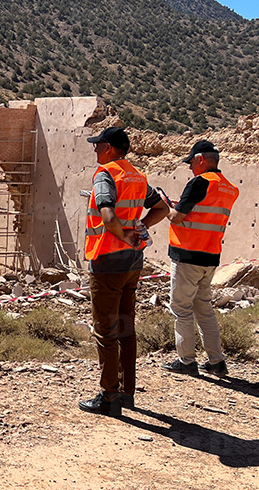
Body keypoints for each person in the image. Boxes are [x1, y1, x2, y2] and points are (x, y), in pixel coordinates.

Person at [78, 126, 170, 416]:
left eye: (98, 145)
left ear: (109, 147)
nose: (95, 150)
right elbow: (163, 208)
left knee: (106, 331)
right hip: (132, 263)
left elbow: (107, 215)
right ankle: (127, 392)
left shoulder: (106, 174)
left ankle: (109, 397)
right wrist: (138, 228)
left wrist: (123, 234)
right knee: (126, 327)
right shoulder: (137, 175)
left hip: (107, 260)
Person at [160, 140, 240, 379]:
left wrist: (164, 206)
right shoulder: (229, 188)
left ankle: (186, 361)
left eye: (191, 163)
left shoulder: (199, 182)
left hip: (187, 254)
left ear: (200, 159)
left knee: (181, 309)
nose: (189, 168)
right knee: (204, 308)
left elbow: (177, 218)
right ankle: (217, 362)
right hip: (210, 255)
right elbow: (204, 212)